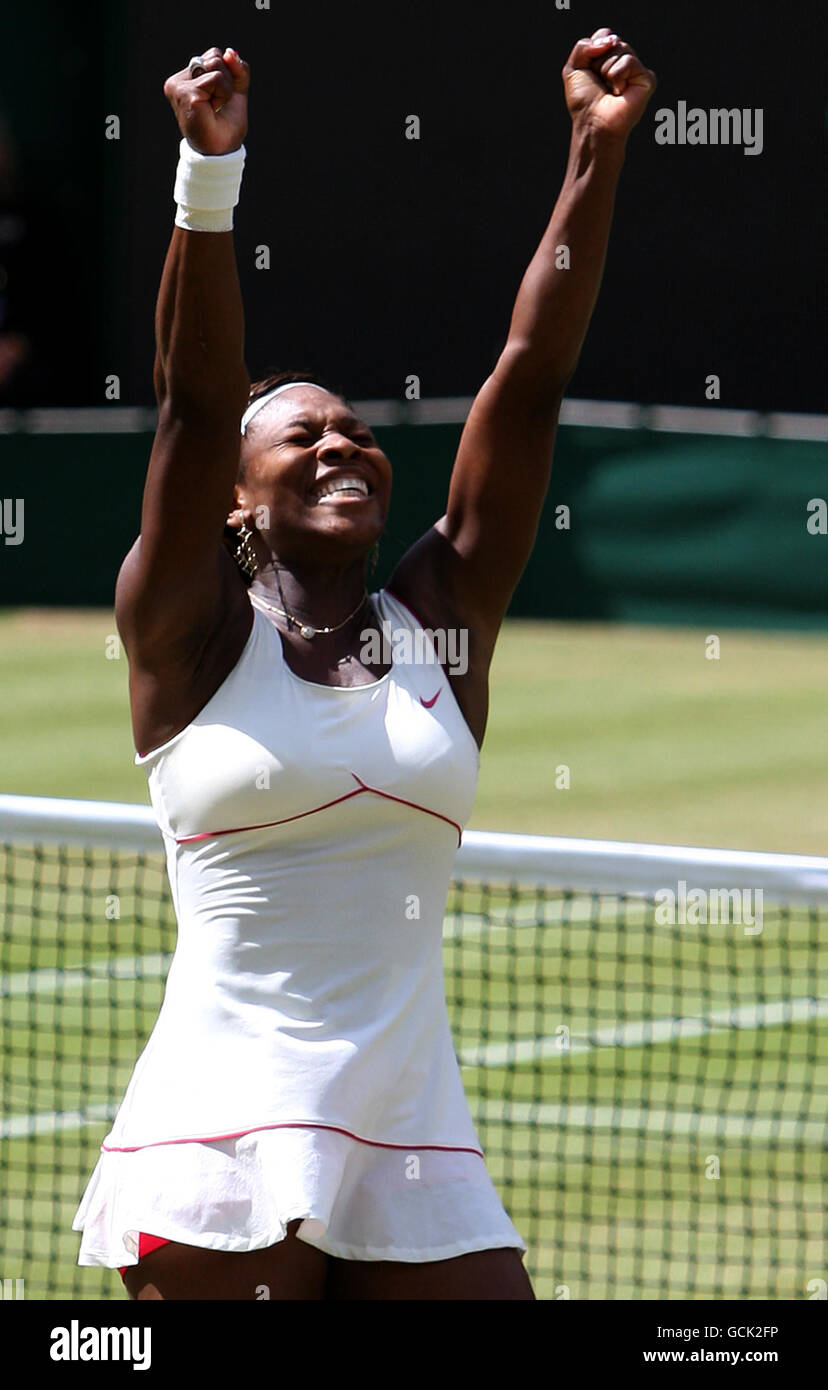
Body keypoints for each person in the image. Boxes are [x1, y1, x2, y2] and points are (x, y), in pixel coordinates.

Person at [72, 29, 656, 1300]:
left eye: (355, 433)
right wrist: (208, 174)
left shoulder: (443, 618)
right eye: (301, 436)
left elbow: (532, 376)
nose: (342, 446)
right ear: (235, 498)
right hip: (222, 1130)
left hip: (414, 1129)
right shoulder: (187, 632)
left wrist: (595, 155)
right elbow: (190, 395)